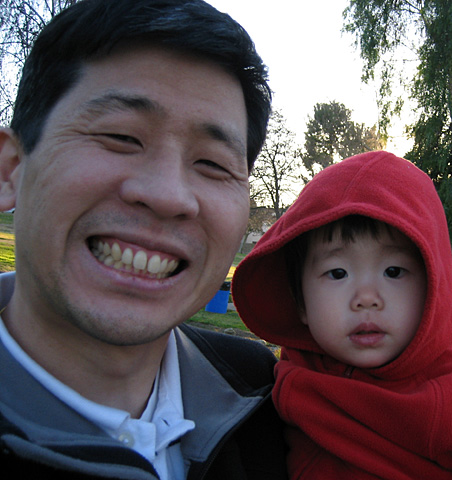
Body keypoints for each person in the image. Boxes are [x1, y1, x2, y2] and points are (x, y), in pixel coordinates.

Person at [0, 0, 286, 478]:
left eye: (213, 164)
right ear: (11, 169)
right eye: (120, 137)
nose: (168, 196)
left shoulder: (268, 400)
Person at [233, 151, 452, 479]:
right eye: (338, 273)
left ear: (432, 286)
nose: (367, 299)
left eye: (394, 272)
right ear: (300, 303)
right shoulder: (288, 374)